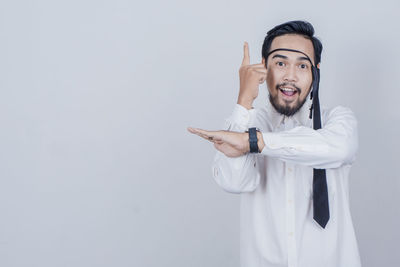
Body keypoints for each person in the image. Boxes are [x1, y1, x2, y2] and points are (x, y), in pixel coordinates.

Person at [187, 20, 361, 267]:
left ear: (315, 72)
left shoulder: (338, 121)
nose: (290, 76)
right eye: (280, 63)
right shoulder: (247, 122)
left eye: (302, 65)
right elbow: (233, 182)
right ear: (263, 66)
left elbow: (339, 149)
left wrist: (255, 143)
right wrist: (244, 100)